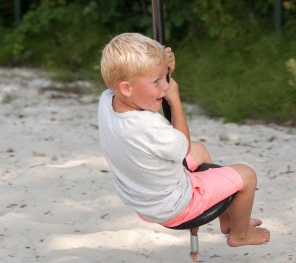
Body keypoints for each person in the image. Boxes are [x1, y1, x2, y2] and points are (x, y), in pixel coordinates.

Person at [98, 33, 270, 247]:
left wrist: (162, 70)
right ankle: (241, 235)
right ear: (127, 87)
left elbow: (142, 98)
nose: (165, 86)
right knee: (246, 175)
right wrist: (175, 98)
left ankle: (229, 222)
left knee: (199, 151)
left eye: (164, 79)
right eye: (157, 81)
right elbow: (182, 146)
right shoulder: (148, 127)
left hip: (143, 198)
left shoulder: (107, 100)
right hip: (175, 206)